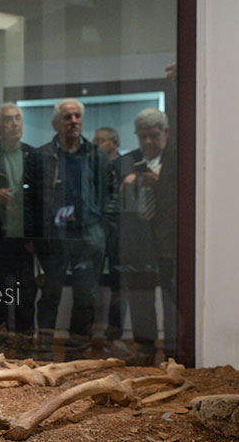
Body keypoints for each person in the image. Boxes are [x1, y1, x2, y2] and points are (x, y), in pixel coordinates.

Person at [34, 99, 115, 359]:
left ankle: (77, 351)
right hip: (55, 236)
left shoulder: (95, 154)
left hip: (88, 235)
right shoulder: (42, 155)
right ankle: (44, 350)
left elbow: (107, 193)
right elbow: (33, 199)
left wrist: (103, 227)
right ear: (56, 123)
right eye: (67, 117)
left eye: (77, 116)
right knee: (50, 293)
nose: (73, 121)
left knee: (85, 297)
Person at [117, 108, 177, 364]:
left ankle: (175, 348)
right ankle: (144, 348)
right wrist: (126, 184)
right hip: (138, 242)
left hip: (170, 242)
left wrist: (159, 184)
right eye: (143, 137)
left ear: (166, 132)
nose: (149, 142)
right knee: (140, 296)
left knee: (172, 296)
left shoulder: (176, 160)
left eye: (154, 136)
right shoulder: (126, 161)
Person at [0, 103, 39, 335]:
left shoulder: (34, 155)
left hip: (26, 237)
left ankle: (26, 346)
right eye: (8, 119)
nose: (14, 124)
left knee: (26, 295)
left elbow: (41, 198)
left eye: (18, 118)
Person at [93, 126, 129, 356]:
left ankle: (114, 335)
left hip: (120, 228)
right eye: (95, 140)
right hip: (96, 228)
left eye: (102, 140)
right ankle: (89, 335)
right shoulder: (91, 166)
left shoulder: (125, 164)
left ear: (115, 143)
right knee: (90, 281)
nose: (97, 144)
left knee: (118, 283)